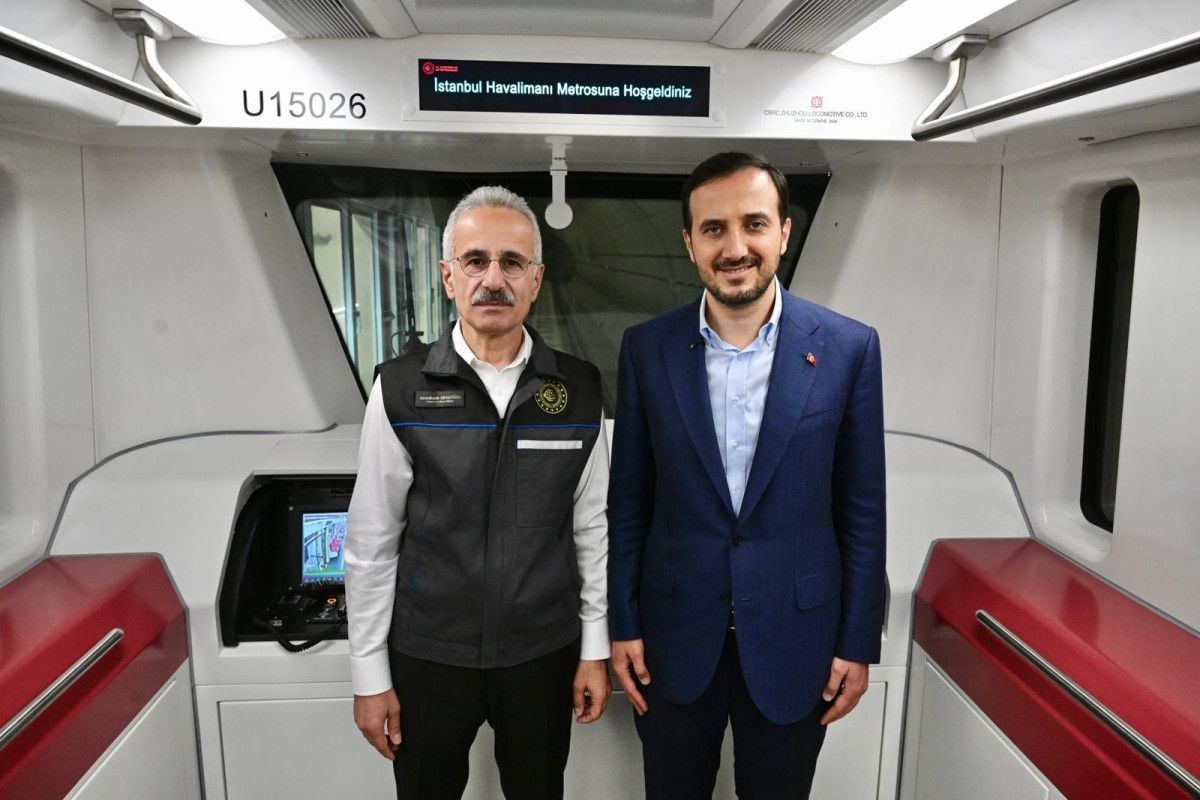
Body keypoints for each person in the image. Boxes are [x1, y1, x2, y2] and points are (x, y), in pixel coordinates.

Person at [607, 152, 886, 800]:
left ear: (783, 232)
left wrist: (858, 642)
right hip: (672, 638)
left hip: (799, 637)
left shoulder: (849, 349)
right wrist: (624, 623)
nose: (735, 248)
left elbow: (862, 511)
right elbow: (629, 504)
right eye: (714, 229)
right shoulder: (646, 349)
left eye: (754, 224)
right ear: (690, 243)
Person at [345, 185, 611, 800]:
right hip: (427, 657)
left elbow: (592, 530)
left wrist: (593, 649)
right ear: (448, 277)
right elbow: (370, 543)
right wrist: (368, 676)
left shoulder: (578, 391)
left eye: (513, 263)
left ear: (536, 280)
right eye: (475, 261)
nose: (494, 279)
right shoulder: (400, 390)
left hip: (541, 655)